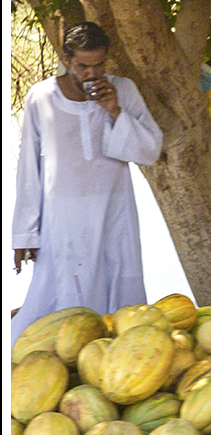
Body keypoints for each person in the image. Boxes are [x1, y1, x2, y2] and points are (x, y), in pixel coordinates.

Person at [11, 22, 163, 343]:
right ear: (67, 59)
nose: (91, 74)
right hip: (61, 221)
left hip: (114, 212)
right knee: (60, 302)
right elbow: (28, 168)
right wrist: (25, 233)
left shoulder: (124, 90)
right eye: (82, 66)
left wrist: (114, 111)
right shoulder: (41, 97)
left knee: (120, 296)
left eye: (98, 65)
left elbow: (150, 150)